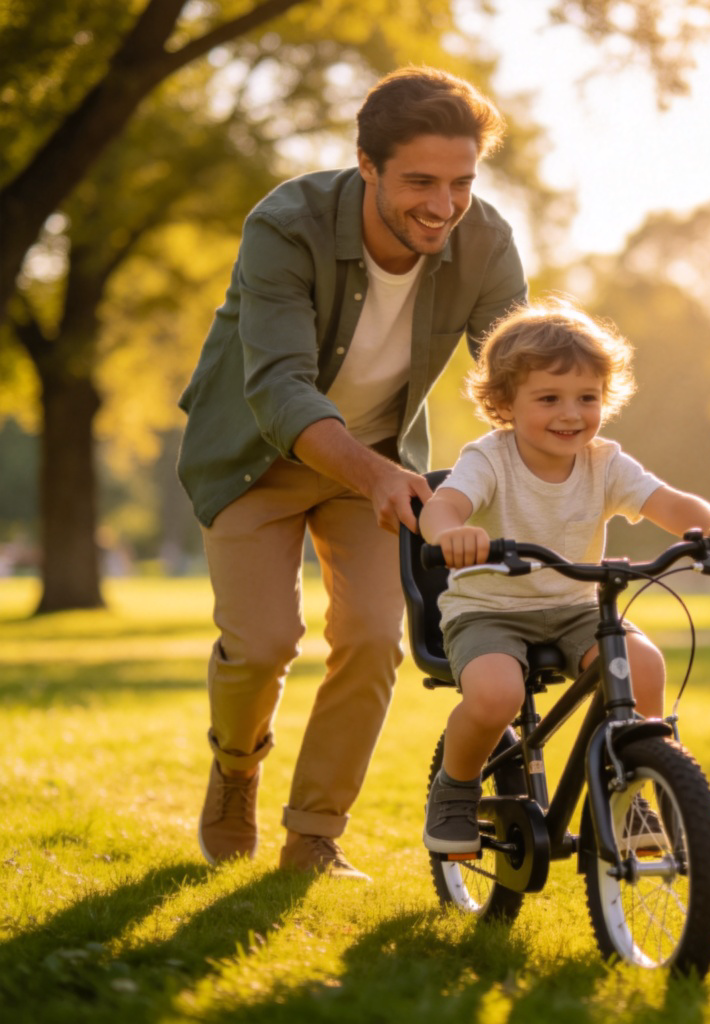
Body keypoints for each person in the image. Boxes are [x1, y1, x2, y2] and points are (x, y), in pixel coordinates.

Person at [176, 66, 528, 878]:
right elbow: (279, 386)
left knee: (373, 640)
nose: (443, 206)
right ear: (366, 165)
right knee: (261, 644)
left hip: (380, 468)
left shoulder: (484, 241)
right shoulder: (287, 224)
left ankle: (313, 835)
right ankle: (235, 769)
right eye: (419, 182)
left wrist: (575, 450)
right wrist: (371, 474)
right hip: (256, 456)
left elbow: (514, 373)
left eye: (461, 183)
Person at [417, 297, 710, 854]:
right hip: (490, 611)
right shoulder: (489, 458)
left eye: (587, 398)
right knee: (496, 695)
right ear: (504, 402)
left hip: (577, 608)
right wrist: (450, 531)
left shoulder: (605, 462)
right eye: (548, 398)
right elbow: (443, 504)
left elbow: (668, 502)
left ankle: (634, 783)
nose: (571, 414)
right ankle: (454, 788)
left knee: (642, 664)